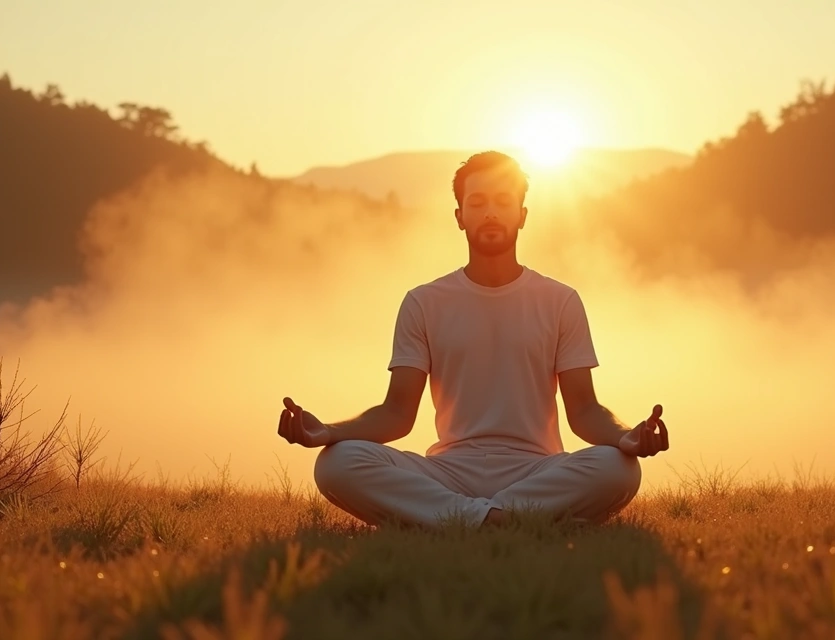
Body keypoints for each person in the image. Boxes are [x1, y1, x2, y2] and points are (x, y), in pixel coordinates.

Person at [277, 151, 669, 528]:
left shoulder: (560, 300)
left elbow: (584, 410)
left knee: (618, 467)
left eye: (503, 201)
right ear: (460, 217)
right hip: (449, 469)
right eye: (477, 202)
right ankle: (501, 518)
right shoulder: (424, 302)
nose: (491, 212)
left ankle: (455, 519)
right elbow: (397, 413)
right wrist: (328, 432)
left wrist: (626, 437)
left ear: (522, 215)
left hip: (536, 468)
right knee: (335, 463)